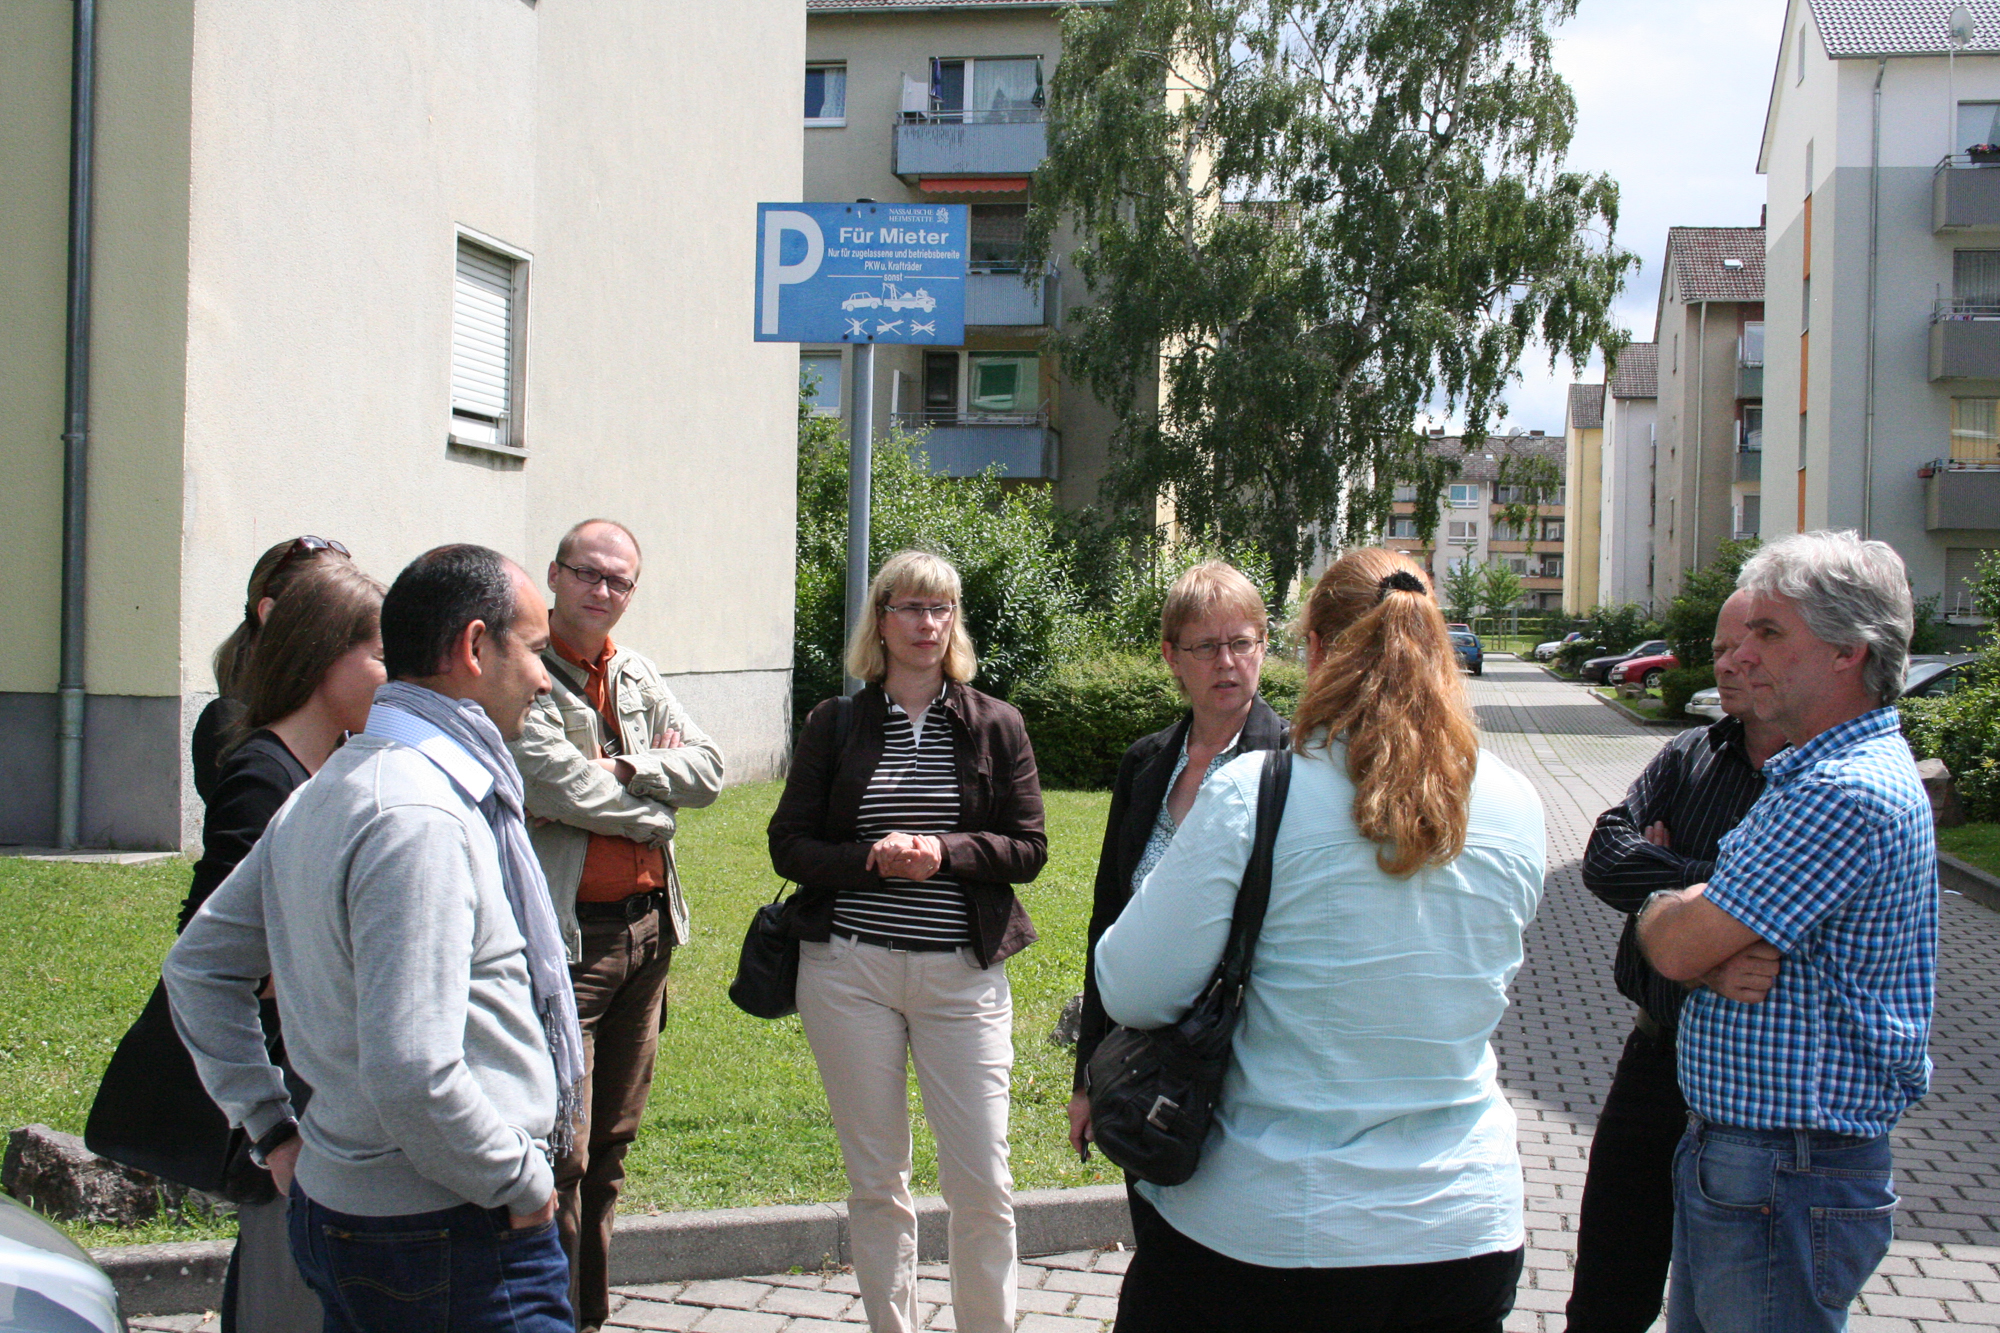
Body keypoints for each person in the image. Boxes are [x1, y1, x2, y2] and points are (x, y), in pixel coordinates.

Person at [1095, 547, 1545, 1333]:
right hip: (1464, 1226)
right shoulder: (1516, 801)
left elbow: (1130, 987)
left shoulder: (1255, 792)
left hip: (1271, 1229)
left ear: (1312, 650)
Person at [165, 544, 579, 1333]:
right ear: (474, 646)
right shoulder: (415, 814)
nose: (543, 679)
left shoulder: (341, 785)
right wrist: (519, 1181)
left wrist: (276, 1130)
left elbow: (197, 969)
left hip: (376, 1217)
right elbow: (412, 1070)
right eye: (533, 650)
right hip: (447, 1229)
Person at [1638, 531, 1938, 1333]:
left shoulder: (1838, 791)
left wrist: (1669, 908)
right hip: (1769, 1165)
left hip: (1783, 1169)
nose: (1743, 655)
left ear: (1848, 649)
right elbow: (1698, 941)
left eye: (1769, 633)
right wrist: (1693, 920)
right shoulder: (1815, 772)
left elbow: (1678, 945)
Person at [768, 550, 1047, 1333]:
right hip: (849, 972)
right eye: (911, 608)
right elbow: (788, 844)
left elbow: (1028, 846)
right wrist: (871, 859)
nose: (928, 623)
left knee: (982, 1180)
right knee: (877, 1180)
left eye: (941, 607)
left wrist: (944, 852)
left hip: (961, 978)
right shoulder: (836, 723)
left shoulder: (995, 723)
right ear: (881, 621)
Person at [507, 519, 725, 1333]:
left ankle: (586, 1314)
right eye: (587, 573)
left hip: (648, 934)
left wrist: (629, 767)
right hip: (570, 943)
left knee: (611, 1148)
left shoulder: (634, 672)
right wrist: (655, 810)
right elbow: (555, 785)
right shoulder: (525, 673)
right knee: (561, 1149)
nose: (602, 590)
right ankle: (547, 1316)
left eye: (618, 580)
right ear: (555, 574)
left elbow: (709, 768)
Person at [1564, 590, 1786, 1333]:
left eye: (1750, 643)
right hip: (1654, 1056)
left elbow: (1788, 908)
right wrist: (1706, 906)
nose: (1728, 662)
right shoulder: (1692, 753)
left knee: (1730, 1304)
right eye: (1719, 649)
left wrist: (1667, 892)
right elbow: (1604, 854)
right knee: (1607, 1292)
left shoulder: (1810, 783)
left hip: (1750, 1085)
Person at [182, 559, 387, 1333]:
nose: (393, 678)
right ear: (323, 658)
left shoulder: (332, 765)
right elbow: (209, 948)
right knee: (283, 1289)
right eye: (380, 656)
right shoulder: (263, 775)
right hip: (285, 1077)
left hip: (323, 1073)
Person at [1067, 560, 1287, 1160]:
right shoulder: (1145, 763)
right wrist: (1087, 1076)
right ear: (1171, 656)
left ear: (1264, 646)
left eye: (1242, 643)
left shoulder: (1289, 763)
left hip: (1247, 1061)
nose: (1227, 662)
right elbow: (1108, 919)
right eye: (1206, 647)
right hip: (1143, 1063)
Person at [192, 536, 353, 806]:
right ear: (270, 613)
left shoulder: (351, 713)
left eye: (350, 608)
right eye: (326, 609)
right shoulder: (229, 723)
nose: (347, 628)